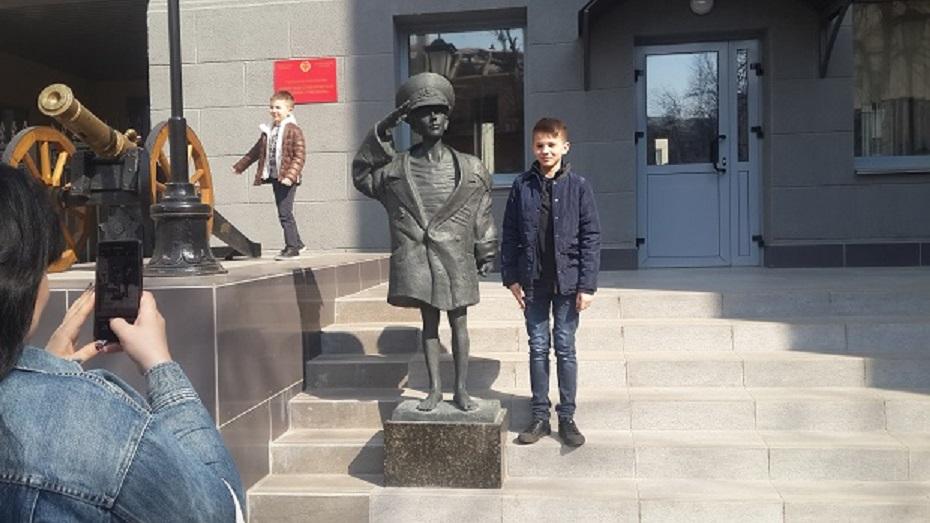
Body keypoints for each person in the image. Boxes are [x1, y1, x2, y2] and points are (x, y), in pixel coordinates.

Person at [0, 164, 244, 522]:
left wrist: (45, 373)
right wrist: (161, 367)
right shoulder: (98, 421)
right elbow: (224, 513)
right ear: (23, 283)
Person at [353, 72, 498, 412]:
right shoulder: (394, 170)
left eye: (439, 111)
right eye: (424, 113)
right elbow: (362, 175)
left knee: (459, 322)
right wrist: (383, 129)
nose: (433, 118)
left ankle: (460, 390)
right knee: (429, 323)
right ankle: (433, 389)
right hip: (418, 256)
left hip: (455, 256)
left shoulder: (472, 167)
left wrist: (486, 249)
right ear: (412, 122)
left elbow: (483, 213)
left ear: (448, 118)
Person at [500, 117, 601, 447]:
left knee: (565, 347)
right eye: (540, 145)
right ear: (533, 148)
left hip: (568, 282)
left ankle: (567, 416)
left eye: (551, 145)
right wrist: (511, 278)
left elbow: (591, 237)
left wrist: (587, 285)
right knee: (538, 347)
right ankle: (540, 416)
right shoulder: (522, 186)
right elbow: (510, 234)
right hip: (533, 281)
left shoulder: (579, 187)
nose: (545, 150)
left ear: (565, 147)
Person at [232, 90, 307, 260]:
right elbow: (256, 151)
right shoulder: (269, 130)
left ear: (289, 110)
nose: (274, 111)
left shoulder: (294, 130)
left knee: (285, 213)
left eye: (278, 107)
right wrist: (240, 166)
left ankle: (292, 248)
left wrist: (290, 176)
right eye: (272, 107)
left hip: (288, 178)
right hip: (275, 176)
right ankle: (298, 243)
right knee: (283, 212)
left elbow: (299, 156)